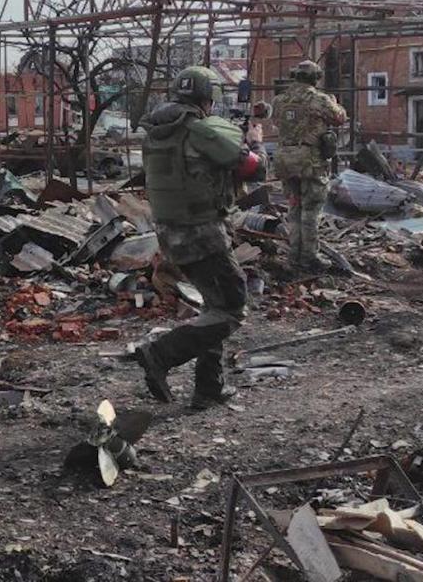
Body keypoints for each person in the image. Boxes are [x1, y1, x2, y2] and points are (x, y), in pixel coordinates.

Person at [134, 66, 265, 409]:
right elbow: (255, 168)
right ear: (207, 99)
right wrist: (255, 142)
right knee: (233, 308)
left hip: (169, 233)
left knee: (214, 306)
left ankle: (208, 388)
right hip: (203, 233)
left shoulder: (156, 132)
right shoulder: (201, 131)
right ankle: (160, 354)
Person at [271, 60, 347, 272]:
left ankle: (294, 255)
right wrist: (334, 102)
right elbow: (340, 118)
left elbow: (278, 122)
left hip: (285, 160)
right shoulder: (319, 99)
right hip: (309, 161)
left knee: (294, 207)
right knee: (311, 210)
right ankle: (309, 257)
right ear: (316, 78)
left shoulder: (279, 100)